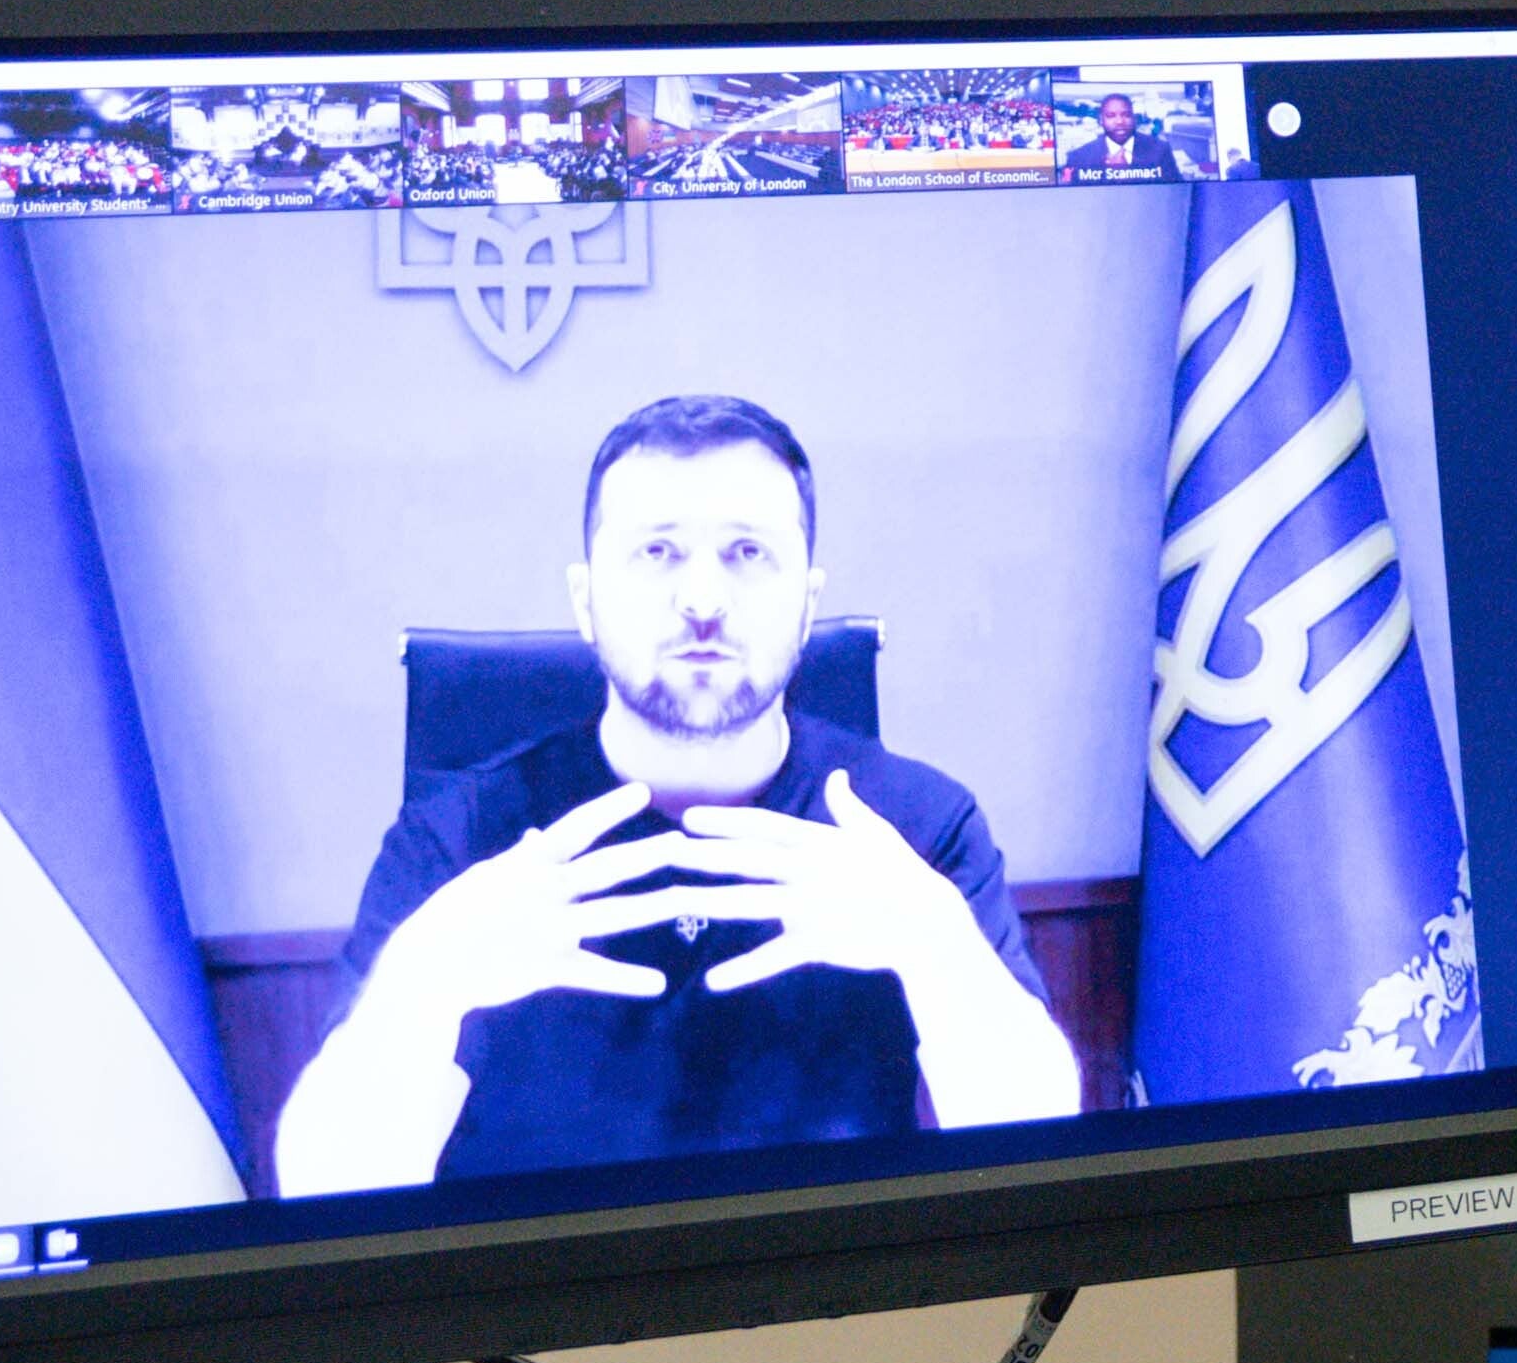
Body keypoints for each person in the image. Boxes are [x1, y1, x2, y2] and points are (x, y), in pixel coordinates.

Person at [268, 394, 1077, 1198]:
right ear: (586, 601)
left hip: (833, 1305)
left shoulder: (915, 827)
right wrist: (424, 982)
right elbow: (322, 1188)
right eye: (657, 551)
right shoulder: (459, 841)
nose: (703, 600)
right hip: (540, 1310)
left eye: (748, 553)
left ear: (808, 603)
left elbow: (1040, 1158)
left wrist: (934, 945)